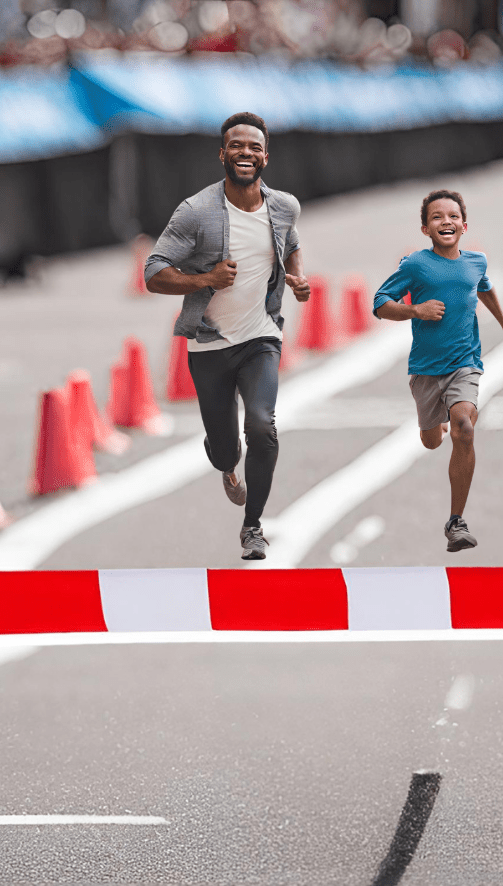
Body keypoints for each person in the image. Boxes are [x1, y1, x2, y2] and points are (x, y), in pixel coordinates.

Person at [144, 112, 310, 560]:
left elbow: (291, 243)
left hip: (260, 338)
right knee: (225, 448)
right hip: (210, 345)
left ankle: (253, 525)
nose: (245, 153)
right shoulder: (197, 212)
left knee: (262, 425)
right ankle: (223, 461)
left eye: (254, 147)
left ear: (265, 158)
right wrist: (206, 280)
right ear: (222, 154)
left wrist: (295, 278)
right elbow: (153, 272)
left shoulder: (283, 206)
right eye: (236, 145)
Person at [373, 189, 503, 552]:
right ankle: (438, 421)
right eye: (437, 217)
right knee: (431, 441)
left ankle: (456, 521)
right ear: (425, 229)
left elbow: (484, 289)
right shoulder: (415, 264)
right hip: (425, 368)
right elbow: (379, 303)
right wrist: (415, 310)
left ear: (464, 225)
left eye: (452, 216)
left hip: (464, 363)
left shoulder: (476, 262)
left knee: (465, 427)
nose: (446, 222)